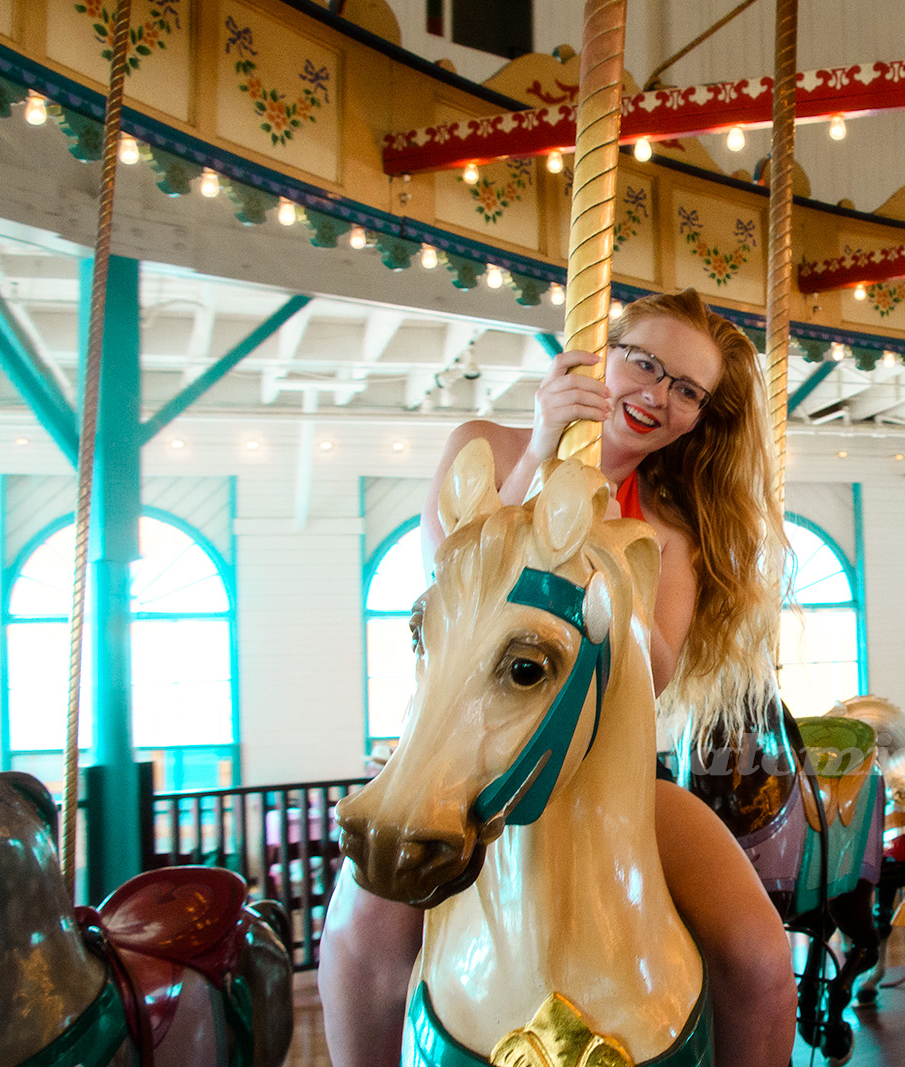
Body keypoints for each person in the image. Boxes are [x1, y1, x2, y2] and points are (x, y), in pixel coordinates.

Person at [318, 289, 798, 1066]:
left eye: (686, 390)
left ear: (699, 418)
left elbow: (662, 665)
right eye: (644, 363)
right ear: (598, 352)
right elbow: (453, 570)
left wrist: (606, 572)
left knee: (760, 957)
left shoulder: (667, 530)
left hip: (610, 778)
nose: (657, 395)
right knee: (358, 932)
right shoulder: (489, 448)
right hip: (460, 752)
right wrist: (543, 448)